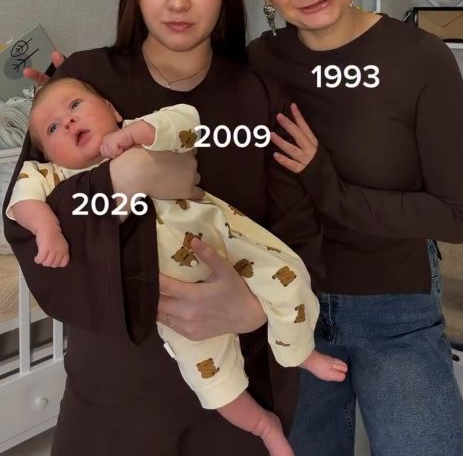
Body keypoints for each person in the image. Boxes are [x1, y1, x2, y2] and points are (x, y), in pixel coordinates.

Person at [3, 0, 325, 456]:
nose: (178, 1)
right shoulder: (85, 82)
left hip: (234, 403)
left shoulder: (259, 98)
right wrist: (121, 180)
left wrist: (249, 309)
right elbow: (29, 224)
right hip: (112, 403)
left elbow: (301, 241)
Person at [7, 77, 348, 456]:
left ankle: (299, 351)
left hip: (224, 242)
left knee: (289, 276)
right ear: (47, 155)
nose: (68, 122)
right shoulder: (52, 176)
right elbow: (21, 205)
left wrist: (137, 135)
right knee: (211, 378)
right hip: (173, 301)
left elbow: (185, 121)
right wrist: (48, 228)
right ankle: (263, 425)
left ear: (112, 110)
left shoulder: (138, 132)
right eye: (53, 128)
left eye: (75, 106)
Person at [244, 0, 463, 456]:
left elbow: (456, 216)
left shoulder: (421, 59)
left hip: (394, 308)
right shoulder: (260, 61)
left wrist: (328, 185)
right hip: (289, 310)